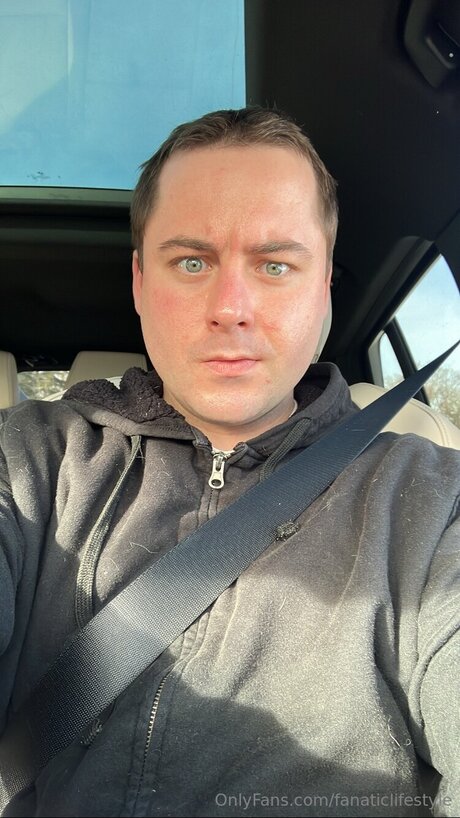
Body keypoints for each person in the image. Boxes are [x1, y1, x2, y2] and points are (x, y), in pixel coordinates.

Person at [0, 107, 459, 818]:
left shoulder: (432, 503)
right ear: (140, 282)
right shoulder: (27, 456)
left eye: (275, 265)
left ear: (323, 288)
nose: (231, 308)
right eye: (192, 262)